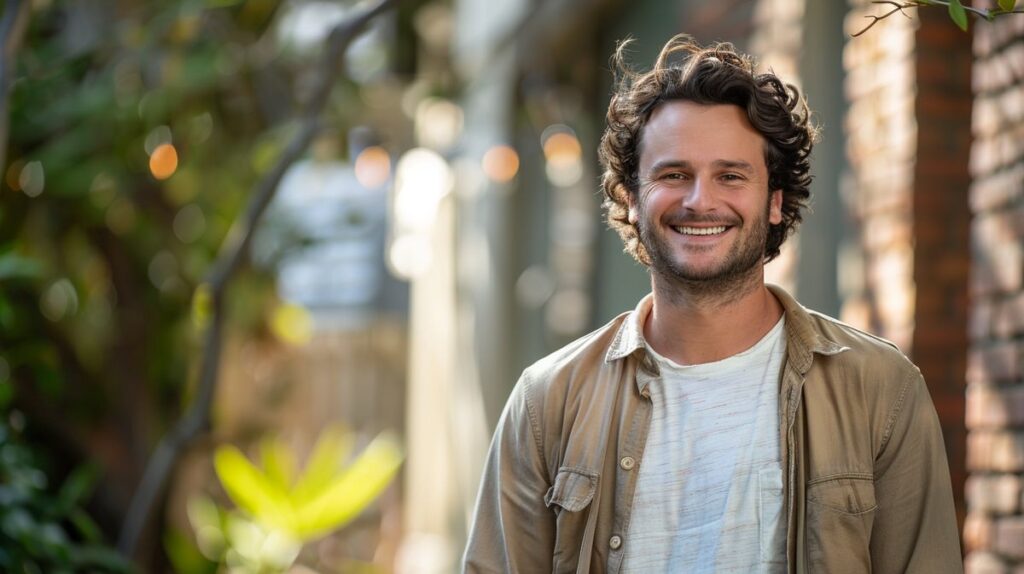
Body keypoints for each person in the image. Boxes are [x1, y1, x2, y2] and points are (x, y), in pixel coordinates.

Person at [463, 35, 962, 574]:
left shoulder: (881, 389)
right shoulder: (547, 402)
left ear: (774, 201)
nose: (701, 200)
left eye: (730, 175)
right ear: (631, 199)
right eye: (674, 174)